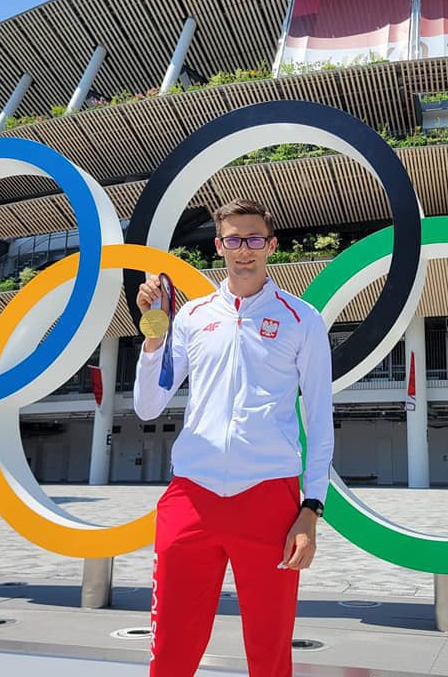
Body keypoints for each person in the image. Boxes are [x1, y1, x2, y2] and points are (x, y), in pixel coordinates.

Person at [134, 198, 334, 677]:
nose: (244, 250)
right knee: (171, 649)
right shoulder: (192, 316)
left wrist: (311, 509)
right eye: (233, 240)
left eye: (254, 239)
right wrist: (154, 337)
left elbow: (320, 417)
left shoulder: (302, 318)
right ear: (218, 245)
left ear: (271, 245)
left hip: (269, 499)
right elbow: (147, 406)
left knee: (268, 651)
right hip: (191, 495)